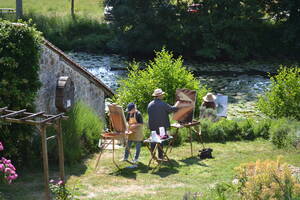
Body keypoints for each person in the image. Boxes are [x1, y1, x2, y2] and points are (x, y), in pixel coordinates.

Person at [147, 88, 179, 160]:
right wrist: (177, 105)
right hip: (161, 126)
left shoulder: (150, 104)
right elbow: (171, 109)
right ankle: (160, 156)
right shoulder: (162, 103)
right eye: (162, 95)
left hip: (152, 126)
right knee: (160, 140)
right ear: (159, 96)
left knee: (153, 140)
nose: (163, 96)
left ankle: (153, 155)